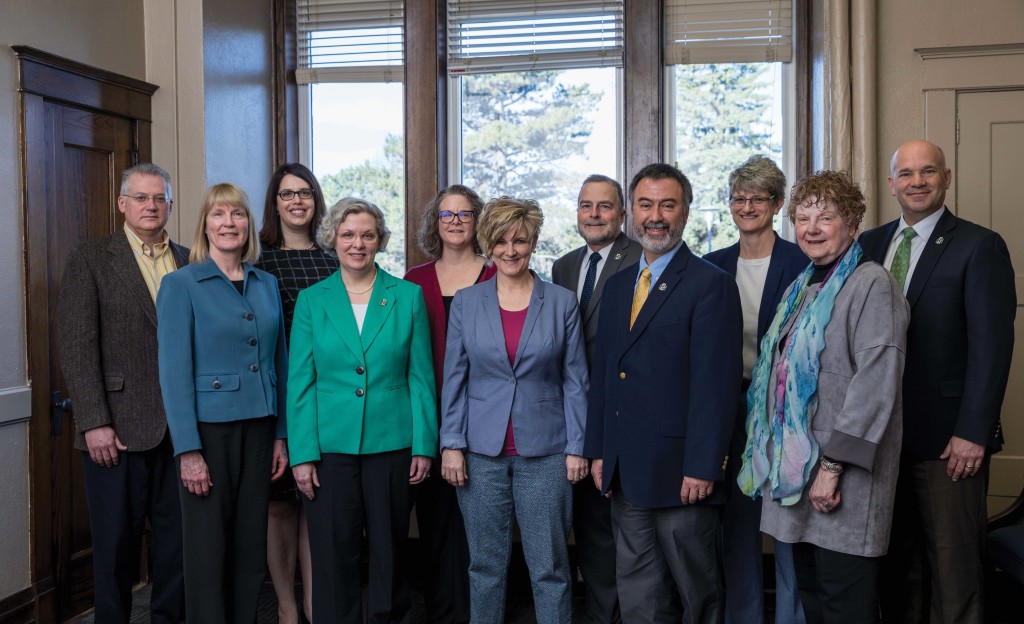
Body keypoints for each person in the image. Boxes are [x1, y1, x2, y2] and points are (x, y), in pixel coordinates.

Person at [738, 170, 909, 623]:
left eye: (826, 217)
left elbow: (876, 383)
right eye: (804, 216)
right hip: (798, 476)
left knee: (844, 603)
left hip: (844, 480)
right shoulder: (803, 287)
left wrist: (832, 469)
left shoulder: (872, 284)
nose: (812, 228)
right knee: (814, 598)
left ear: (852, 224)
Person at [860, 140, 1017, 624]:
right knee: (897, 570)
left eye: (928, 172)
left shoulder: (979, 245)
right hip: (882, 440)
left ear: (947, 178)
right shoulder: (868, 245)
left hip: (949, 441)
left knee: (954, 571)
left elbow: (992, 349)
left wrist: (974, 431)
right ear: (891, 184)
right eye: (906, 174)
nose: (917, 182)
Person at [584, 163, 742, 623]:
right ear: (631, 212)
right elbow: (605, 379)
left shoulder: (711, 285)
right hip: (625, 471)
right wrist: (599, 452)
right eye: (647, 204)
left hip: (683, 475)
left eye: (667, 205)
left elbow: (717, 387)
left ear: (686, 212)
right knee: (639, 596)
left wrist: (703, 465)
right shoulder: (615, 289)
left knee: (698, 594)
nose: (656, 216)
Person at [440, 197, 589, 624]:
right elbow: (455, 378)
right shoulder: (467, 303)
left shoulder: (561, 302)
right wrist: (451, 444)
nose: (510, 250)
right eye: (501, 241)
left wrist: (577, 446)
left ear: (533, 243)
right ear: (487, 244)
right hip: (480, 452)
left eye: (520, 240)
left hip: (547, 451)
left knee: (551, 569)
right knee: (485, 567)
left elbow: (577, 381)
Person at [287, 198, 437, 624]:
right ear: (333, 238)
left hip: (393, 444)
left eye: (367, 235)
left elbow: (421, 378)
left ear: (379, 240)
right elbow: (301, 383)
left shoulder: (407, 296)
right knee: (333, 554)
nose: (358, 243)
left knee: (390, 553)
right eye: (348, 234)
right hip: (329, 448)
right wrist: (302, 454)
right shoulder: (312, 300)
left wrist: (425, 446)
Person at [56, 163, 186, 624]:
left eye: (159, 198)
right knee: (114, 549)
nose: (151, 206)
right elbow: (76, 345)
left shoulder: (190, 259)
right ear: (122, 204)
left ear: (170, 205)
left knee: (177, 546)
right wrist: (94, 421)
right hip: (117, 429)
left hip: (182, 432)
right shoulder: (92, 258)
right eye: (141, 198)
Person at [156, 183, 288, 623]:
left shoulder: (266, 282)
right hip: (208, 433)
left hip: (260, 429)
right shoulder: (181, 284)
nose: (228, 223)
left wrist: (282, 435)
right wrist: (187, 450)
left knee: (250, 545)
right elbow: (173, 374)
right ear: (205, 225)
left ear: (248, 224)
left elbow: (280, 363)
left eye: (237, 215)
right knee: (208, 549)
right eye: (218, 215)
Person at [703, 155, 808, 624]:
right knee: (738, 527)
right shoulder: (710, 266)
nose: (747, 206)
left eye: (758, 198)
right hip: (730, 409)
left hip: (788, 412)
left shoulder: (803, 262)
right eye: (738, 198)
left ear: (778, 204)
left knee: (788, 526)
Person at [404, 184, 496, 624]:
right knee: (437, 525)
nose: (456, 221)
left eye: (464, 213)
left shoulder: (498, 274)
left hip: (485, 418)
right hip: (426, 416)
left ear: (478, 221)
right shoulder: (413, 281)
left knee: (480, 527)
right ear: (434, 223)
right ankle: (445, 613)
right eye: (447, 214)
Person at [551, 174, 641, 623]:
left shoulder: (641, 259)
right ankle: (603, 613)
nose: (594, 214)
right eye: (586, 205)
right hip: (573, 413)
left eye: (604, 206)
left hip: (621, 409)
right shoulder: (563, 266)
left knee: (625, 527)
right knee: (589, 529)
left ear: (622, 215)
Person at [256, 162, 337, 624]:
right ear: (275, 203)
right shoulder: (258, 263)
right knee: (280, 508)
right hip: (275, 398)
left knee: (317, 505)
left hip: (328, 400)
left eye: (305, 192)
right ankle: (287, 607)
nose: (297, 201)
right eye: (287, 194)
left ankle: (315, 606)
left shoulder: (334, 261)